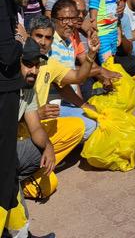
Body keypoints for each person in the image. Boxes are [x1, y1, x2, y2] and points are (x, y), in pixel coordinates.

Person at [16, 37, 84, 202]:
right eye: (28, 65)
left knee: (78, 126)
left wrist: (48, 147)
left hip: (16, 146)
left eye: (37, 65)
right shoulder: (6, 87)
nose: (34, 71)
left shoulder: (28, 88)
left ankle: (18, 179)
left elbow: (36, 128)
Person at [28, 14, 99, 141]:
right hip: (21, 126)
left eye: (48, 38)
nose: (43, 42)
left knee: (90, 124)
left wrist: (91, 54)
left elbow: (78, 77)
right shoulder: (17, 63)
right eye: (38, 36)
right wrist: (36, 114)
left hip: (43, 119)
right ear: (29, 36)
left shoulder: (49, 64)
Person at [0, 0, 22, 234]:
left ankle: (18, 231)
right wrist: (21, 41)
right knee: (5, 168)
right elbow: (7, 53)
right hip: (4, 88)